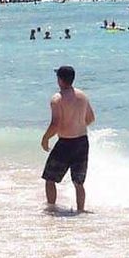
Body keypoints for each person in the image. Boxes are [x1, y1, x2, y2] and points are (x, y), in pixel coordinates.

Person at [40, 65, 95, 213]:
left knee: (50, 178)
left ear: (60, 80)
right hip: (82, 141)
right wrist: (76, 124)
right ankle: (80, 211)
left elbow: (55, 124)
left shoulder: (57, 99)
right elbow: (90, 118)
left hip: (65, 143)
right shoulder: (82, 96)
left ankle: (51, 208)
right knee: (79, 182)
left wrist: (45, 138)